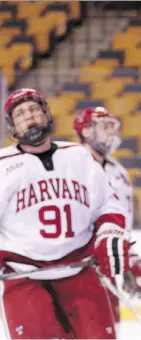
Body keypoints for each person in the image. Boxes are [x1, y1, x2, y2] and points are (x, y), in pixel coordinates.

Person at [0, 88, 131, 339]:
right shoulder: (2, 165)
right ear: (12, 125)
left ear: (47, 114)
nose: (30, 117)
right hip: (23, 276)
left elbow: (109, 204)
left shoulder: (78, 156)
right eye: (21, 114)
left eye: (35, 110)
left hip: (80, 271)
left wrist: (109, 232)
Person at [73, 106, 141, 335]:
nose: (110, 133)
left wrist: (129, 257)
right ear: (85, 131)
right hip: (74, 265)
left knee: (108, 331)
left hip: (107, 262)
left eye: (111, 127)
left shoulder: (119, 173)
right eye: (103, 127)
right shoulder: (70, 165)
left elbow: (124, 221)